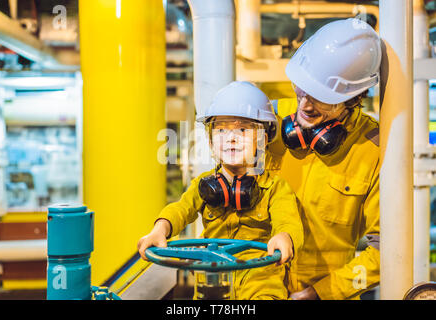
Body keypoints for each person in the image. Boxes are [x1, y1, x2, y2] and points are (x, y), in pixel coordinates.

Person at [138, 81, 304, 300]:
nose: (231, 138)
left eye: (243, 129)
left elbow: (288, 221)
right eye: (221, 130)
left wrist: (285, 237)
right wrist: (160, 229)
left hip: (260, 277)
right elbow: (181, 209)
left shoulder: (275, 187)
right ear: (210, 140)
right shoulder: (203, 185)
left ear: (262, 140)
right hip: (212, 277)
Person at [266, 18, 381, 300]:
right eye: (301, 88)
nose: (304, 105)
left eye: (321, 98)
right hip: (256, 289)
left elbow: (385, 253)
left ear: (353, 98)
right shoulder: (270, 119)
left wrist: (323, 293)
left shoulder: (374, 148)